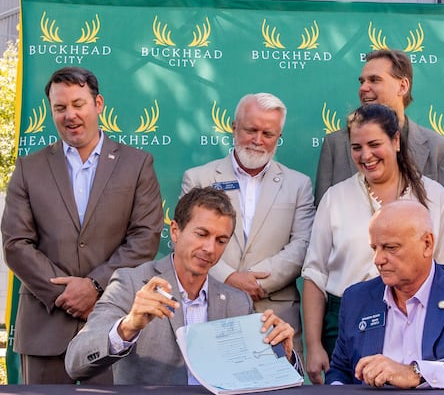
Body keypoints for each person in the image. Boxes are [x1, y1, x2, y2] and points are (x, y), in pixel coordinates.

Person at [1, 66, 163, 384]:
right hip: (44, 328)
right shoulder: (28, 168)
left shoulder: (137, 164)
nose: (70, 115)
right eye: (60, 107)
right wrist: (67, 294)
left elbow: (145, 238)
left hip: (114, 327)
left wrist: (95, 287)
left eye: (78, 104)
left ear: (98, 104)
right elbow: (15, 244)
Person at [302, 103, 444, 384]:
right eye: (356, 147)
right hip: (346, 325)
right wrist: (314, 345)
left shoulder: (434, 196)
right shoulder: (335, 198)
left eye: (374, 144)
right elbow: (315, 274)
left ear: (396, 141)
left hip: (422, 319)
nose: (365, 155)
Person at [65, 187, 299, 384]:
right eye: (202, 234)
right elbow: (76, 363)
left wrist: (283, 354)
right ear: (175, 231)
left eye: (220, 240)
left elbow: (258, 375)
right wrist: (127, 327)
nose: (210, 248)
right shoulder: (132, 283)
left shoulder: (238, 301)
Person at [181, 92, 315, 361]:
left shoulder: (299, 184)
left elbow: (302, 245)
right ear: (234, 127)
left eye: (268, 134)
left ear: (279, 136)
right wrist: (230, 278)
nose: (258, 140)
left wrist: (255, 281)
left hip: (274, 317)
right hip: (210, 308)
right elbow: (188, 240)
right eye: (251, 130)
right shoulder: (198, 178)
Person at [325, 200, 444, 389]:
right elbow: (340, 371)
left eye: (391, 248)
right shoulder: (357, 298)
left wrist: (416, 373)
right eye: (375, 248)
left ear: (427, 244)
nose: (378, 259)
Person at [315, 49, 444, 215]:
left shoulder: (440, 150)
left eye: (374, 80)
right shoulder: (335, 144)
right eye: (362, 81)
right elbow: (322, 216)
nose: (363, 88)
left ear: (403, 86)